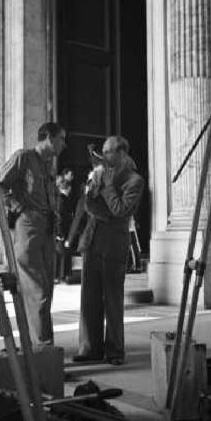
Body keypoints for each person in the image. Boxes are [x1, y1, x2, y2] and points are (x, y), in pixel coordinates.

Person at [73, 136, 144, 366]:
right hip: (93, 241)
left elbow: (121, 210)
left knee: (112, 300)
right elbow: (88, 205)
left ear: (122, 153)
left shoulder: (135, 180)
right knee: (89, 299)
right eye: (103, 151)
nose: (103, 157)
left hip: (114, 244)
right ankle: (89, 348)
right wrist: (94, 188)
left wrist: (108, 186)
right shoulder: (100, 175)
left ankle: (115, 351)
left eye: (109, 151)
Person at [0, 122, 66, 348]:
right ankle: (44, 351)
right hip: (28, 226)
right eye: (61, 139)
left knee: (46, 290)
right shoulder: (23, 157)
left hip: (46, 229)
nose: (64, 145)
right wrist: (19, 207)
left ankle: (37, 346)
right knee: (37, 292)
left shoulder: (47, 166)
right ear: (48, 137)